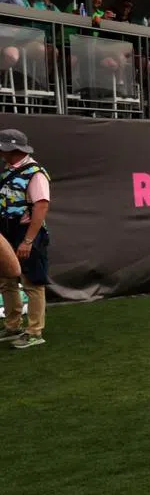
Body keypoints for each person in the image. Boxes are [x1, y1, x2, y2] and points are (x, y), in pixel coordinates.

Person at [0, 130, 51, 349]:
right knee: (6, 279)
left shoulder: (35, 173)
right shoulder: (8, 171)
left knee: (32, 281)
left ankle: (34, 331)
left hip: (26, 232)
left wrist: (28, 241)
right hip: (7, 230)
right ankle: (13, 326)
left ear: (13, 149)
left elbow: (41, 206)